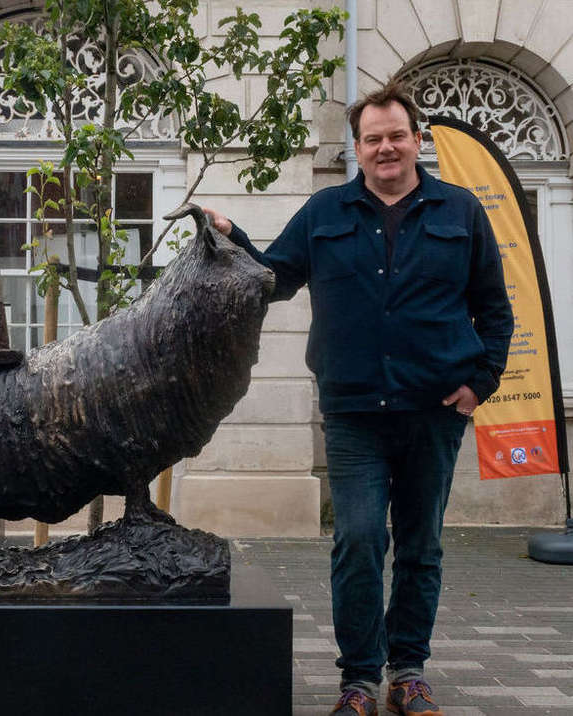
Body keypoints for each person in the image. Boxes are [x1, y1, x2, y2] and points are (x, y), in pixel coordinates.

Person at [204, 79, 513, 716]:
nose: (385, 148)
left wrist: (480, 382)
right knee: (360, 539)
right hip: (353, 413)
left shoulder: (460, 211)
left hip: (434, 411)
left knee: (421, 542)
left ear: (417, 139)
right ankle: (359, 679)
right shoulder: (325, 214)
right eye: (373, 139)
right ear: (359, 146)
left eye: (397, 135)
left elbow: (494, 310)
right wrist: (232, 238)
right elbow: (273, 280)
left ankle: (409, 671)